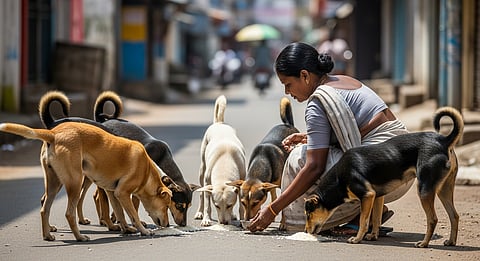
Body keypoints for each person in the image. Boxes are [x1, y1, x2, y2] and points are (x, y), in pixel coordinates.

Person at [247, 42, 414, 234]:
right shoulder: (343, 80)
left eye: (288, 85)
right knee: (314, 152)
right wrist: (311, 137)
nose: (287, 92)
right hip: (403, 168)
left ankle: (347, 216)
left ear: (304, 75)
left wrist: (272, 209)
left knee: (298, 159)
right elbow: (364, 128)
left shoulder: (317, 103)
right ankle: (362, 215)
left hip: (381, 176)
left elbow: (314, 167)